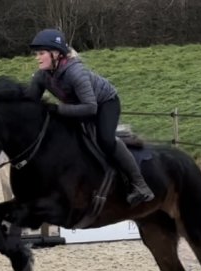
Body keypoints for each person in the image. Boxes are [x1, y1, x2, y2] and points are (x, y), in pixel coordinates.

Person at [26, 28, 154, 207]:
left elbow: (90, 108)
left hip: (105, 104)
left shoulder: (75, 73)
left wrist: (57, 109)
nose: (37, 58)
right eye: (36, 54)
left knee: (105, 140)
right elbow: (29, 103)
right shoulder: (42, 75)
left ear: (56, 54)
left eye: (41, 54)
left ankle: (140, 185)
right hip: (80, 105)